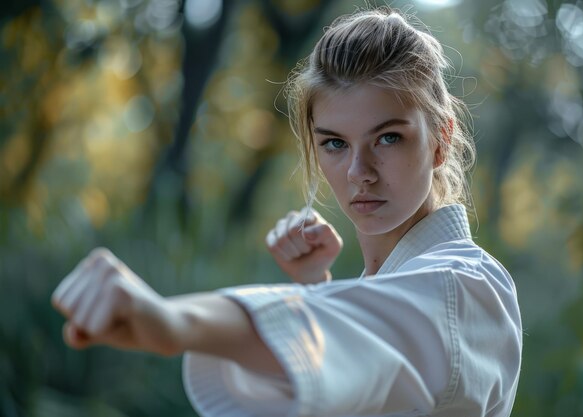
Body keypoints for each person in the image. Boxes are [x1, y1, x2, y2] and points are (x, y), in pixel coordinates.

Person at [51, 6, 522, 417]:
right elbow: (359, 359)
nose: (360, 172)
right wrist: (318, 291)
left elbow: (356, 334)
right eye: (335, 143)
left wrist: (172, 323)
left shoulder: (467, 286)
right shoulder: (389, 290)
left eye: (388, 138)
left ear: (440, 140)